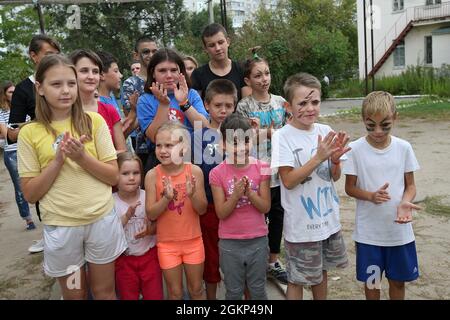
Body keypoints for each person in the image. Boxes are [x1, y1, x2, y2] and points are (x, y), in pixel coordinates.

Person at [17, 54, 127, 299]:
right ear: (40, 88)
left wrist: (81, 158)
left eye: (70, 83)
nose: (65, 91)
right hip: (62, 228)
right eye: (56, 84)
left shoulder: (94, 122)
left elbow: (113, 177)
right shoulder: (30, 133)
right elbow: (31, 193)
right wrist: (58, 160)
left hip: (100, 221)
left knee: (105, 293)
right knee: (75, 295)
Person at [271, 72, 350, 300]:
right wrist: (318, 157)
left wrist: (334, 162)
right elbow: (288, 180)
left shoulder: (325, 131)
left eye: (314, 102)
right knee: (297, 279)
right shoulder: (282, 136)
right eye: (302, 103)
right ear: (288, 105)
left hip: (327, 220)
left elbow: (333, 177)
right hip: (301, 226)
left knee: (321, 273)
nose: (309, 108)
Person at [343, 91, 421, 300]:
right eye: (371, 126)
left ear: (395, 117)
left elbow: (411, 185)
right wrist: (370, 196)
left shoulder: (403, 148)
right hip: (369, 234)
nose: (378, 131)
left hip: (398, 232)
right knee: (372, 282)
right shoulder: (355, 149)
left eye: (385, 125)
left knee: (397, 282)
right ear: (363, 120)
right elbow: (349, 188)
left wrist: (405, 202)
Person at [236, 47, 288, 285]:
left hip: (279, 171)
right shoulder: (243, 107)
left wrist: (266, 133)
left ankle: (273, 260)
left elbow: (290, 133)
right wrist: (270, 133)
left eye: (266, 73)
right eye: (257, 75)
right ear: (248, 80)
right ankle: (255, 261)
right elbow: (243, 138)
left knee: (278, 215)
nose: (264, 79)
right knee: (258, 216)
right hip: (256, 172)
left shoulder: (281, 103)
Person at [8, 34, 61, 253]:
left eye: (57, 54)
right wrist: (39, 126)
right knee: (45, 194)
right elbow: (12, 133)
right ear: (33, 56)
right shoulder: (22, 89)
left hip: (71, 151)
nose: (54, 59)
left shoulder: (67, 79)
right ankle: (50, 236)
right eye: (48, 54)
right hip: (41, 155)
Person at [210, 113, 271, 300]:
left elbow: (265, 207)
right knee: (234, 291)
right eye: (234, 142)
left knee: (258, 289)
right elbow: (221, 212)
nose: (241, 148)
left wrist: (250, 193)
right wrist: (235, 195)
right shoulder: (216, 173)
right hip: (230, 243)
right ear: (223, 144)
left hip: (258, 241)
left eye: (246, 141)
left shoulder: (263, 167)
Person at [145, 122, 208, 300]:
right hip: (167, 244)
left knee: (196, 289)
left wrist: (193, 194)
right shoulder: (152, 175)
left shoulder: (194, 171)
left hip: (193, 241)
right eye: (159, 145)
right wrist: (166, 198)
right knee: (174, 292)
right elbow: (151, 214)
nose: (163, 150)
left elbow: (202, 209)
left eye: (169, 145)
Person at [191, 79, 237, 299]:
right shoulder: (196, 138)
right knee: (211, 260)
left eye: (228, 106)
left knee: (237, 261)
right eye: (218, 105)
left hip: (237, 209)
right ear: (206, 105)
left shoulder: (241, 136)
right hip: (209, 208)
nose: (223, 110)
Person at [137, 48, 209, 173]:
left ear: (181, 72)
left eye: (174, 70)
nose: (169, 75)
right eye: (162, 71)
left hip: (191, 156)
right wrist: (164, 105)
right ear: (153, 73)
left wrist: (184, 103)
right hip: (160, 160)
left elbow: (204, 128)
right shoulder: (145, 100)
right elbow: (154, 137)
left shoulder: (191, 94)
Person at [114, 152, 163, 300]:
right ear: (115, 176)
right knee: (128, 296)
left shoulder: (147, 195)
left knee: (154, 295)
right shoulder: (110, 202)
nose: (131, 177)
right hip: (124, 259)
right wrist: (127, 216)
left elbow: (160, 223)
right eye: (125, 173)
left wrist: (150, 230)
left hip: (149, 256)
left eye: (136, 173)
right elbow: (110, 232)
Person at [69, 49, 127, 154]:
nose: (91, 76)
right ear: (71, 73)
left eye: (95, 71)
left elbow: (122, 151)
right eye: (84, 71)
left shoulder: (109, 110)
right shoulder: (63, 111)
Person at [0, 81, 34, 230]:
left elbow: (33, 129)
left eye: (15, 91)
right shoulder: (1, 112)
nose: (14, 95)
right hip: (12, 152)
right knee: (20, 187)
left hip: (29, 149)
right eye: (10, 92)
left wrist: (19, 131)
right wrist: (26, 129)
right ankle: (28, 219)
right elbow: (7, 134)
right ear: (4, 95)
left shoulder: (25, 108)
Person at [121, 36, 159, 165]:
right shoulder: (130, 84)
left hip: (169, 142)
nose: (151, 55)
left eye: (154, 51)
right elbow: (130, 119)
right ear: (136, 55)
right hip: (143, 147)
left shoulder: (164, 79)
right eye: (146, 51)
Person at [191, 23, 250, 102]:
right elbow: (196, 106)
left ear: (228, 42)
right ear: (205, 48)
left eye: (221, 42)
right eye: (212, 45)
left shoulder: (241, 69)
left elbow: (247, 105)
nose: (218, 48)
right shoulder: (198, 74)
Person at [96, 50, 136, 151]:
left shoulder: (111, 96)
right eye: (116, 71)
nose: (121, 75)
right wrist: (133, 113)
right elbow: (112, 139)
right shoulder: (98, 103)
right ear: (101, 75)